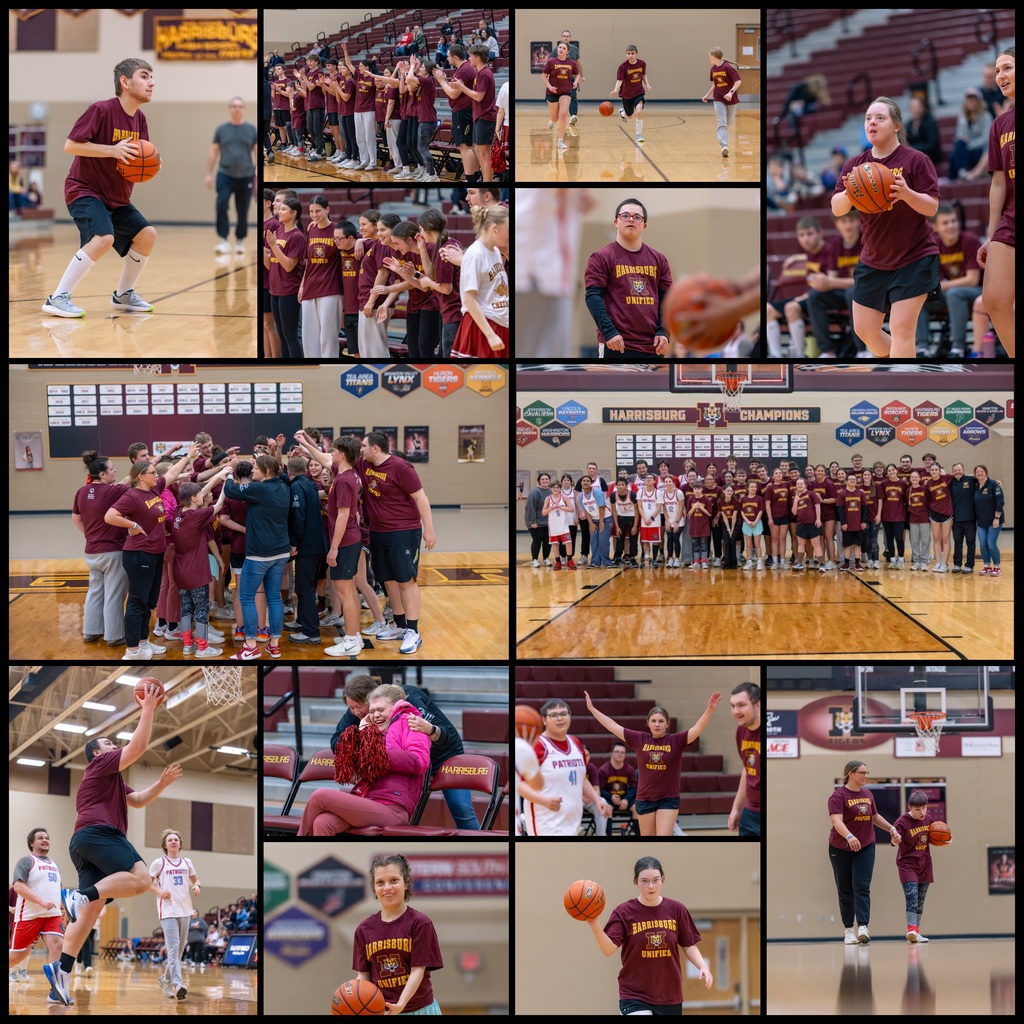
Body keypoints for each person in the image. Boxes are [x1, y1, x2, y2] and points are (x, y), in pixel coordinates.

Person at [43, 686, 183, 1005]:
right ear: (97, 753)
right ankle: (76, 896)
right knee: (142, 879)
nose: (113, 746)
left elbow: (138, 800)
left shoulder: (112, 780)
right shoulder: (101, 764)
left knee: (89, 914)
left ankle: (60, 975)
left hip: (83, 841)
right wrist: (148, 708)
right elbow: (137, 747)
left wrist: (161, 784)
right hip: (101, 834)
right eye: (108, 743)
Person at [42, 57, 157, 318]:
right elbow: (71, 145)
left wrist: (150, 166)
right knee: (104, 238)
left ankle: (123, 295)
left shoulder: (140, 119)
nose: (152, 82)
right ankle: (58, 298)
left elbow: (138, 158)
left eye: (151, 77)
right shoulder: (101, 110)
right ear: (125, 81)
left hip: (117, 197)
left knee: (147, 235)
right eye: (144, 76)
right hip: (85, 190)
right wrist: (112, 150)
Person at [831, 97, 940, 358]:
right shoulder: (855, 166)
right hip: (874, 259)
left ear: (896, 126)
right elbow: (836, 208)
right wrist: (850, 192)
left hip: (914, 257)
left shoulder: (917, 160)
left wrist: (907, 194)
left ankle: (902, 379)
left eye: (880, 118)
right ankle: (907, 366)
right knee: (865, 330)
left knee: (902, 330)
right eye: (868, 118)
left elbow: (932, 207)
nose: (872, 123)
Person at [329, 674, 478, 830]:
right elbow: (336, 742)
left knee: (462, 809)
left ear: (371, 699)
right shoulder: (359, 712)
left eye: (358, 707)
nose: (355, 712)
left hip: (443, 755)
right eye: (350, 707)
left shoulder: (408, 700)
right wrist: (359, 739)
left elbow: (446, 735)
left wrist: (431, 730)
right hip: (406, 763)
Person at [585, 856, 712, 1015]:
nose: (650, 886)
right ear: (636, 882)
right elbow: (608, 949)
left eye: (655, 880)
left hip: (669, 995)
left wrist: (703, 967)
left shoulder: (676, 909)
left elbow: (688, 945)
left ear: (663, 880)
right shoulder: (623, 912)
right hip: (634, 995)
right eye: (644, 881)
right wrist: (594, 924)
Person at [297, 684, 431, 835]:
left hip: (393, 808)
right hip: (368, 800)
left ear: (396, 706)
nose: (376, 715)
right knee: (323, 822)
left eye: (381, 710)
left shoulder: (411, 723)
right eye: (372, 711)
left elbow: (419, 761)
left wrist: (377, 755)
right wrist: (362, 733)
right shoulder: (373, 732)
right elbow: (357, 769)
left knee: (320, 796)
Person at [584, 691, 721, 836]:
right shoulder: (639, 739)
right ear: (648, 723)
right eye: (654, 721)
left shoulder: (676, 740)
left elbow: (697, 729)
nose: (657, 724)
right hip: (645, 798)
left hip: (668, 799)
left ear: (667, 724)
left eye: (661, 721)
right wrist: (592, 709)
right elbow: (613, 726)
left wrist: (710, 709)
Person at [104, 447, 197, 660]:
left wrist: (188, 456)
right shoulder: (132, 496)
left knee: (147, 602)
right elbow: (110, 516)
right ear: (140, 476)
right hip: (139, 554)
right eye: (152, 473)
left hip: (155, 553)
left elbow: (171, 473)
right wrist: (133, 525)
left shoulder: (154, 490)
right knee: (137, 602)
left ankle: (143, 642)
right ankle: (132, 650)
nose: (157, 476)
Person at [353, 854, 443, 1014]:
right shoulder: (363, 929)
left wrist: (400, 1005)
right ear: (374, 887)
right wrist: (353, 997)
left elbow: (418, 971)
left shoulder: (420, 923)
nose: (387, 887)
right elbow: (364, 976)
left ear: (406, 883)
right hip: (383, 1011)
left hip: (420, 1009)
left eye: (394, 880)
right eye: (380, 882)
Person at [584, 198, 673, 359]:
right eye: (625, 215)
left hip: (652, 347)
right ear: (616, 222)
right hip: (616, 344)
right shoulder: (601, 257)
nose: (631, 219)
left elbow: (667, 299)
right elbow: (593, 297)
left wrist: (664, 331)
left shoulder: (659, 260)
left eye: (637, 217)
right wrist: (609, 332)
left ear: (644, 225)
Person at [223, 453, 292, 661]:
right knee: (274, 598)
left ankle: (251, 646)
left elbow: (231, 490)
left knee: (246, 597)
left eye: (256, 468)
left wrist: (228, 473)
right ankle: (274, 646)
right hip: (281, 552)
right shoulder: (284, 486)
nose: (253, 470)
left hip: (259, 554)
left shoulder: (260, 489)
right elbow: (281, 472)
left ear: (267, 472)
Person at [827, 760, 902, 944]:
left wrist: (891, 828)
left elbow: (874, 816)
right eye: (862, 772)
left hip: (865, 845)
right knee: (845, 889)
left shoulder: (867, 794)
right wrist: (849, 836)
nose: (866, 776)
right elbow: (836, 821)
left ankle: (863, 926)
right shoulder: (838, 796)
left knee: (862, 886)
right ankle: (848, 930)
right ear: (851, 774)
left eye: (867, 772)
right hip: (840, 847)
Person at [521, 698, 610, 836]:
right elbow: (520, 785)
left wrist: (597, 800)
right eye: (554, 715)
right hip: (545, 822)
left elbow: (581, 778)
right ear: (544, 720)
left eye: (563, 714)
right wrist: (544, 801)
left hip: (573, 822)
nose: (560, 718)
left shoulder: (576, 743)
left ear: (570, 716)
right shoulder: (537, 746)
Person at [977, 46, 1014, 356]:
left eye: (1007, 68)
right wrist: (991, 235)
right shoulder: (1000, 124)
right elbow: (998, 183)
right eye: (998, 70)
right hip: (1010, 220)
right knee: (993, 299)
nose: (1001, 75)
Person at [72, 452, 130, 645]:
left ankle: (90, 631)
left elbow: (75, 518)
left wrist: (89, 535)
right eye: (112, 469)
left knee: (95, 591)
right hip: (113, 551)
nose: (115, 471)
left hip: (91, 551)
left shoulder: (81, 491)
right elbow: (131, 479)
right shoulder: (113, 492)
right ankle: (114, 636)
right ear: (103, 474)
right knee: (114, 594)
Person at [10, 828, 65, 1002]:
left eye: (47, 837)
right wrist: (41, 901)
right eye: (40, 838)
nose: (45, 840)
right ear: (31, 843)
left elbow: (58, 889)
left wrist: (63, 907)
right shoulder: (26, 861)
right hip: (29, 915)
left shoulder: (55, 864)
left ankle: (55, 991)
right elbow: (18, 887)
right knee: (17, 956)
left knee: (58, 945)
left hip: (52, 915)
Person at [149, 829, 201, 1000]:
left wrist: (197, 886)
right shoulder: (159, 863)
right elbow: (146, 883)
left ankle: (165, 980)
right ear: (165, 845)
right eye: (170, 840)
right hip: (167, 910)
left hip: (185, 909)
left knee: (178, 951)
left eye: (176, 840)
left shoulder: (187, 862)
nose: (173, 842)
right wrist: (158, 891)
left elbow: (195, 879)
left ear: (180, 844)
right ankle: (177, 985)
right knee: (172, 949)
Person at [892, 790, 951, 943]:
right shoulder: (902, 822)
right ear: (910, 808)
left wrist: (945, 840)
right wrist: (895, 840)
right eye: (918, 809)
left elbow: (936, 835)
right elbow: (894, 839)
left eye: (924, 808)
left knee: (920, 900)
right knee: (912, 896)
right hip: (907, 865)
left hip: (925, 865)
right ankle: (911, 929)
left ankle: (916, 932)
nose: (922, 812)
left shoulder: (929, 819)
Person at [450, 204, 509, 357]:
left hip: (500, 324)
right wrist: (490, 335)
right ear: (495, 229)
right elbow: (469, 300)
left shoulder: (496, 251)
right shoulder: (475, 254)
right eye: (508, 230)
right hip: (482, 327)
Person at [207, 98, 257, 255]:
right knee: (221, 204)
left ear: (244, 109)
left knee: (242, 209)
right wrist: (209, 174)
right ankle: (223, 240)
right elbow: (213, 152)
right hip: (225, 175)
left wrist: (258, 175)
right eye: (234, 106)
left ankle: (240, 240)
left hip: (246, 176)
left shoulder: (251, 129)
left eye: (240, 106)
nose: (237, 109)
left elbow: (257, 152)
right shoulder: (221, 129)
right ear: (230, 109)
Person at [299, 196, 342, 358]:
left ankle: (329, 367)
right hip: (310, 288)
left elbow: (355, 238)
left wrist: (359, 242)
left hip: (330, 289)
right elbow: (309, 261)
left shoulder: (337, 229)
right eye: (311, 211)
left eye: (318, 211)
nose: (314, 215)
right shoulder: (310, 230)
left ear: (327, 210)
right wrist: (302, 285)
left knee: (327, 338)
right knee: (309, 338)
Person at [728, 683, 761, 836]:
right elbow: (748, 769)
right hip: (749, 813)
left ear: (758, 705)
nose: (736, 711)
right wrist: (737, 807)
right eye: (733, 706)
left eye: (741, 705)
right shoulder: (741, 730)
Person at [702, 48, 741, 158]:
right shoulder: (713, 69)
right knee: (721, 121)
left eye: (709, 56)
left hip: (731, 99)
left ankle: (724, 140)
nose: (709, 58)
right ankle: (724, 146)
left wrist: (730, 93)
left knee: (727, 122)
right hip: (718, 98)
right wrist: (707, 95)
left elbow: (738, 81)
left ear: (713, 56)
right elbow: (715, 84)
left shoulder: (727, 67)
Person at [542, 41, 580, 153]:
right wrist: (549, 87)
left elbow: (577, 74)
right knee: (555, 118)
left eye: (564, 48)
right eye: (560, 47)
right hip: (552, 92)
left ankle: (560, 140)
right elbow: (544, 76)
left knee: (563, 115)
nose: (561, 49)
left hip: (566, 92)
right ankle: (552, 121)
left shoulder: (571, 63)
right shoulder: (551, 62)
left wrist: (576, 82)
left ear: (567, 51)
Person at [611, 45, 651, 146]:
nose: (630, 55)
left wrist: (647, 84)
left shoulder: (642, 64)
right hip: (627, 94)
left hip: (638, 92)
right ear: (626, 54)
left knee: (639, 111)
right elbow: (619, 80)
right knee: (629, 116)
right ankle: (622, 113)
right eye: (628, 53)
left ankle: (638, 135)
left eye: (632, 53)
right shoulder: (623, 67)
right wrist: (615, 89)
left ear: (636, 54)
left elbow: (643, 75)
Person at [973, 464, 1004, 577]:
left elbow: (1000, 502)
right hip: (981, 521)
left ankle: (997, 567)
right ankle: (987, 566)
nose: (980, 473)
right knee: (983, 544)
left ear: (986, 472)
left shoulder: (994, 484)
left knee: (991, 544)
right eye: (977, 472)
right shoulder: (975, 485)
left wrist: (996, 518)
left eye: (982, 471)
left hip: (994, 520)